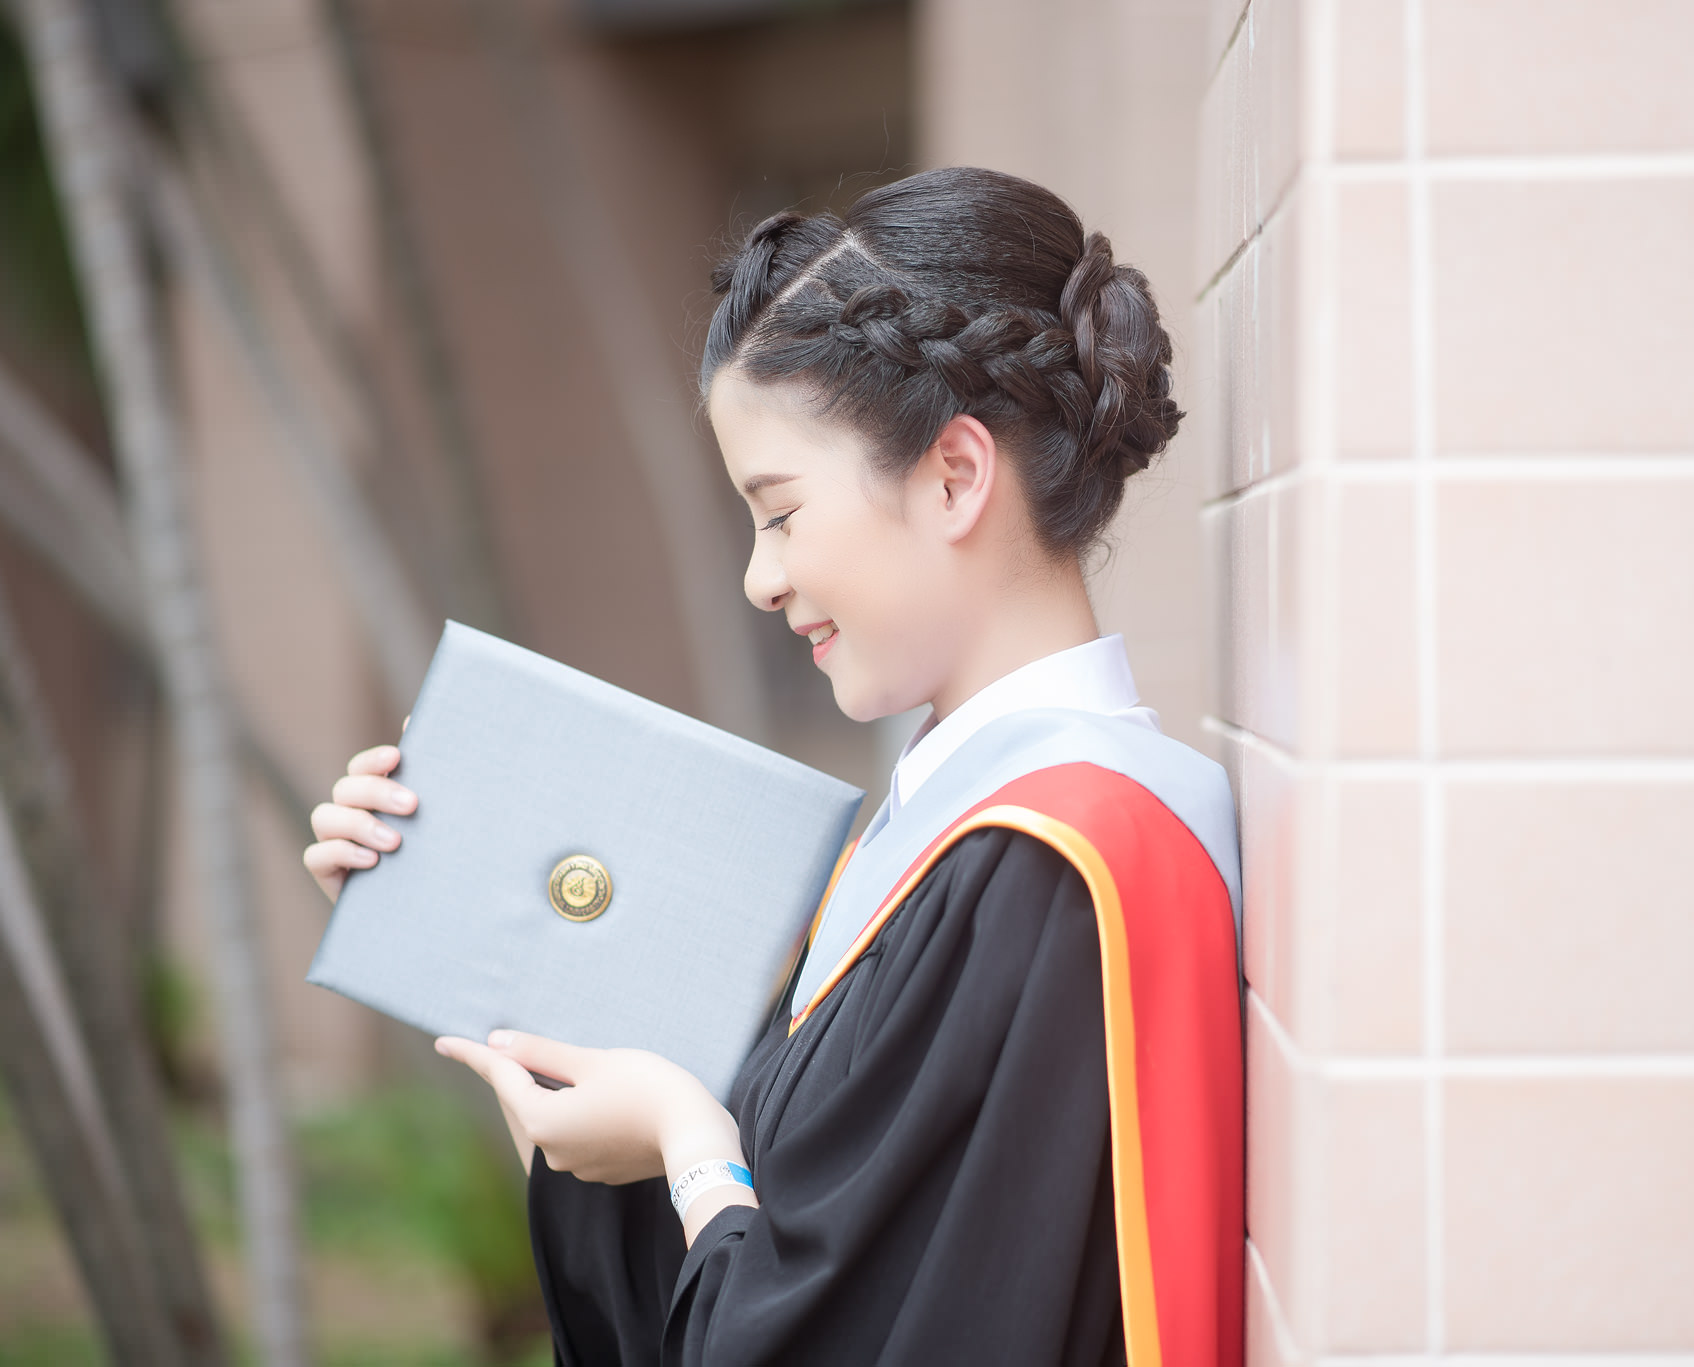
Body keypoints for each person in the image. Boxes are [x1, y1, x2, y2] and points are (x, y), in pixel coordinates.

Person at [303, 166, 1243, 1367]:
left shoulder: (1051, 862)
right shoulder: (957, 832)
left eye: (781, 511)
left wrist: (689, 1139)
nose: (762, 576)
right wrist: (440, 908)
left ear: (954, 475)